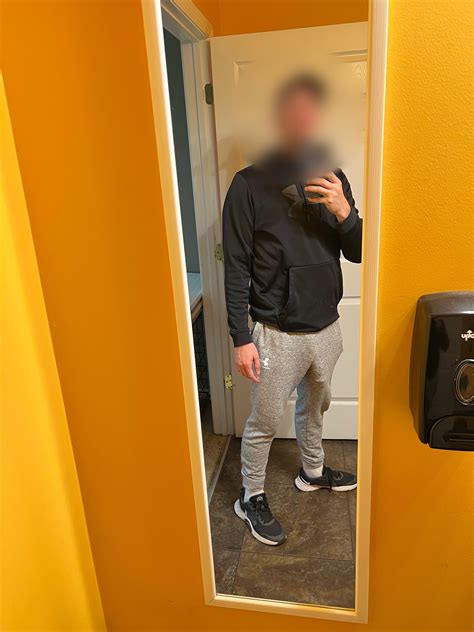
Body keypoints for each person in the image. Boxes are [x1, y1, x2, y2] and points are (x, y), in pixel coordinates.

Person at [222, 74, 362, 546]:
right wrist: (241, 337)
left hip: (327, 326)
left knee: (316, 405)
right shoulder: (248, 185)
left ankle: (312, 471)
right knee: (263, 422)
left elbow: (359, 252)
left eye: (310, 112)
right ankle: (251, 496)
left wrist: (345, 213)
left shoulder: (334, 177)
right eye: (292, 112)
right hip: (275, 332)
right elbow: (236, 266)